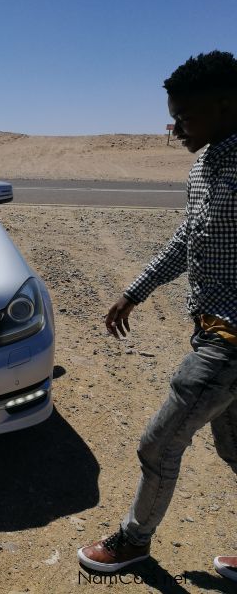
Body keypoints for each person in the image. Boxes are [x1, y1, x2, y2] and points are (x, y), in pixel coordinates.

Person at [76, 50, 237, 583]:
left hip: (230, 342)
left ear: (225, 104)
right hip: (211, 330)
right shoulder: (204, 165)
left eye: (185, 117)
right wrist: (134, 291)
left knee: (159, 442)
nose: (176, 130)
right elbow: (187, 239)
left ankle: (132, 541)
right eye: (173, 118)